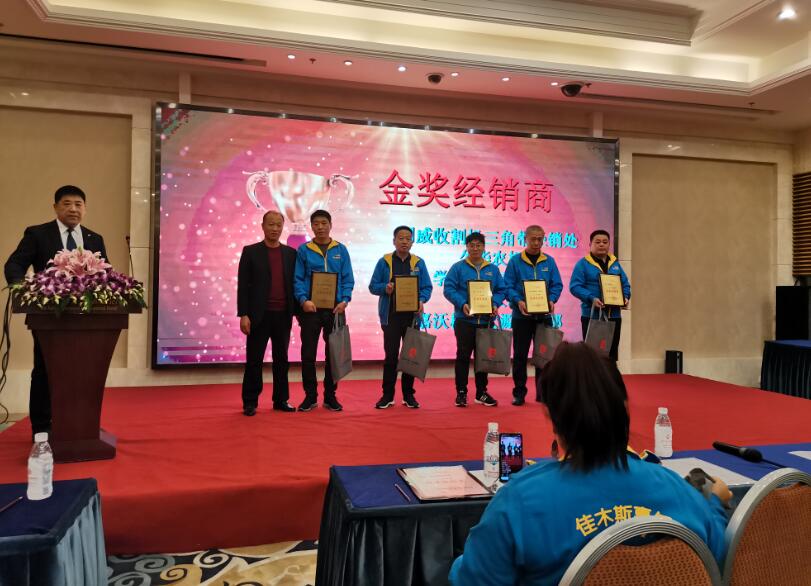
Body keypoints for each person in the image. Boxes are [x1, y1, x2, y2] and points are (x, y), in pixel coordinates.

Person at [449, 342, 731, 585]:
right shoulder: (678, 491)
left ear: (549, 415)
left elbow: (472, 579)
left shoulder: (519, 501)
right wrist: (714, 502)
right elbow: (716, 557)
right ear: (625, 408)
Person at [4, 185, 108, 439]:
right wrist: (21, 288)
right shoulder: (38, 234)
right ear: (55, 207)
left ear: (85, 209)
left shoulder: (94, 239)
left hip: (86, 320)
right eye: (67, 203)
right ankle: (42, 428)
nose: (73, 209)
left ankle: (80, 424)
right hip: (49, 318)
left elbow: (105, 274)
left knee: (84, 371)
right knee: (45, 370)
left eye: (78, 204)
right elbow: (15, 264)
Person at [237, 211, 298, 416]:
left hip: (283, 315)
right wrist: (243, 314)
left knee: (282, 360)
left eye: (278, 225)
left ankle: (281, 400)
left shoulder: (290, 254)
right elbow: (243, 286)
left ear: (282, 227)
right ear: (262, 226)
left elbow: (294, 285)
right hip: (258, 316)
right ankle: (250, 401)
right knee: (254, 360)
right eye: (270, 224)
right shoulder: (250, 252)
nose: (274, 228)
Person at [293, 210, 354, 412]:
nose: (320, 227)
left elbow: (347, 279)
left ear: (330, 225)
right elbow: (298, 279)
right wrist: (303, 300)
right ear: (311, 226)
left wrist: (345, 300)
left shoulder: (341, 250)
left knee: (334, 355)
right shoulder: (304, 250)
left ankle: (330, 396)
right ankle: (310, 396)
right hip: (311, 309)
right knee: (308, 354)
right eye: (316, 224)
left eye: (324, 223)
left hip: (336, 309)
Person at [368, 226, 433, 409]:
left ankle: (408, 395)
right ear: (394, 241)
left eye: (408, 238)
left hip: (412, 318)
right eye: (401, 238)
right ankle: (387, 395)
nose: (404, 241)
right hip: (391, 317)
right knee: (391, 357)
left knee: (410, 358)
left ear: (412, 242)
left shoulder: (418, 262)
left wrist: (421, 299)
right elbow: (373, 286)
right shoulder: (384, 261)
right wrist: (385, 288)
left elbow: (427, 287)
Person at [443, 232, 506, 407]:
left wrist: (495, 304)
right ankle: (461, 392)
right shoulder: (458, 268)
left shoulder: (492, 269)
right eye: (472, 245)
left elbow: (501, 290)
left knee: (483, 358)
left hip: (485, 322)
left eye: (479, 245)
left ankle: (481, 393)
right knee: (463, 357)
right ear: (467, 247)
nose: (475, 248)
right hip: (464, 321)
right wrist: (462, 303)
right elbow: (448, 289)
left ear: (484, 247)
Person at [503, 225, 563, 406]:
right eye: (533, 239)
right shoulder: (515, 261)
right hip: (521, 317)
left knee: (544, 356)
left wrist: (552, 299)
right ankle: (519, 393)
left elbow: (557, 285)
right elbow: (507, 286)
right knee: (520, 356)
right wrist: (518, 301)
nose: (537, 243)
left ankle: (542, 392)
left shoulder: (549, 261)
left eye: (540, 239)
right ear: (525, 238)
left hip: (544, 316)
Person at [569, 230, 631, 361]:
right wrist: (591, 298)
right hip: (592, 317)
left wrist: (625, 297)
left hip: (614, 316)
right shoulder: (583, 264)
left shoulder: (615, 264)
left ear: (609, 244)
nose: (601, 245)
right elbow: (575, 287)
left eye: (605, 242)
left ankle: (610, 375)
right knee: (592, 356)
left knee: (611, 355)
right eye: (597, 242)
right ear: (590, 244)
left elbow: (625, 284)